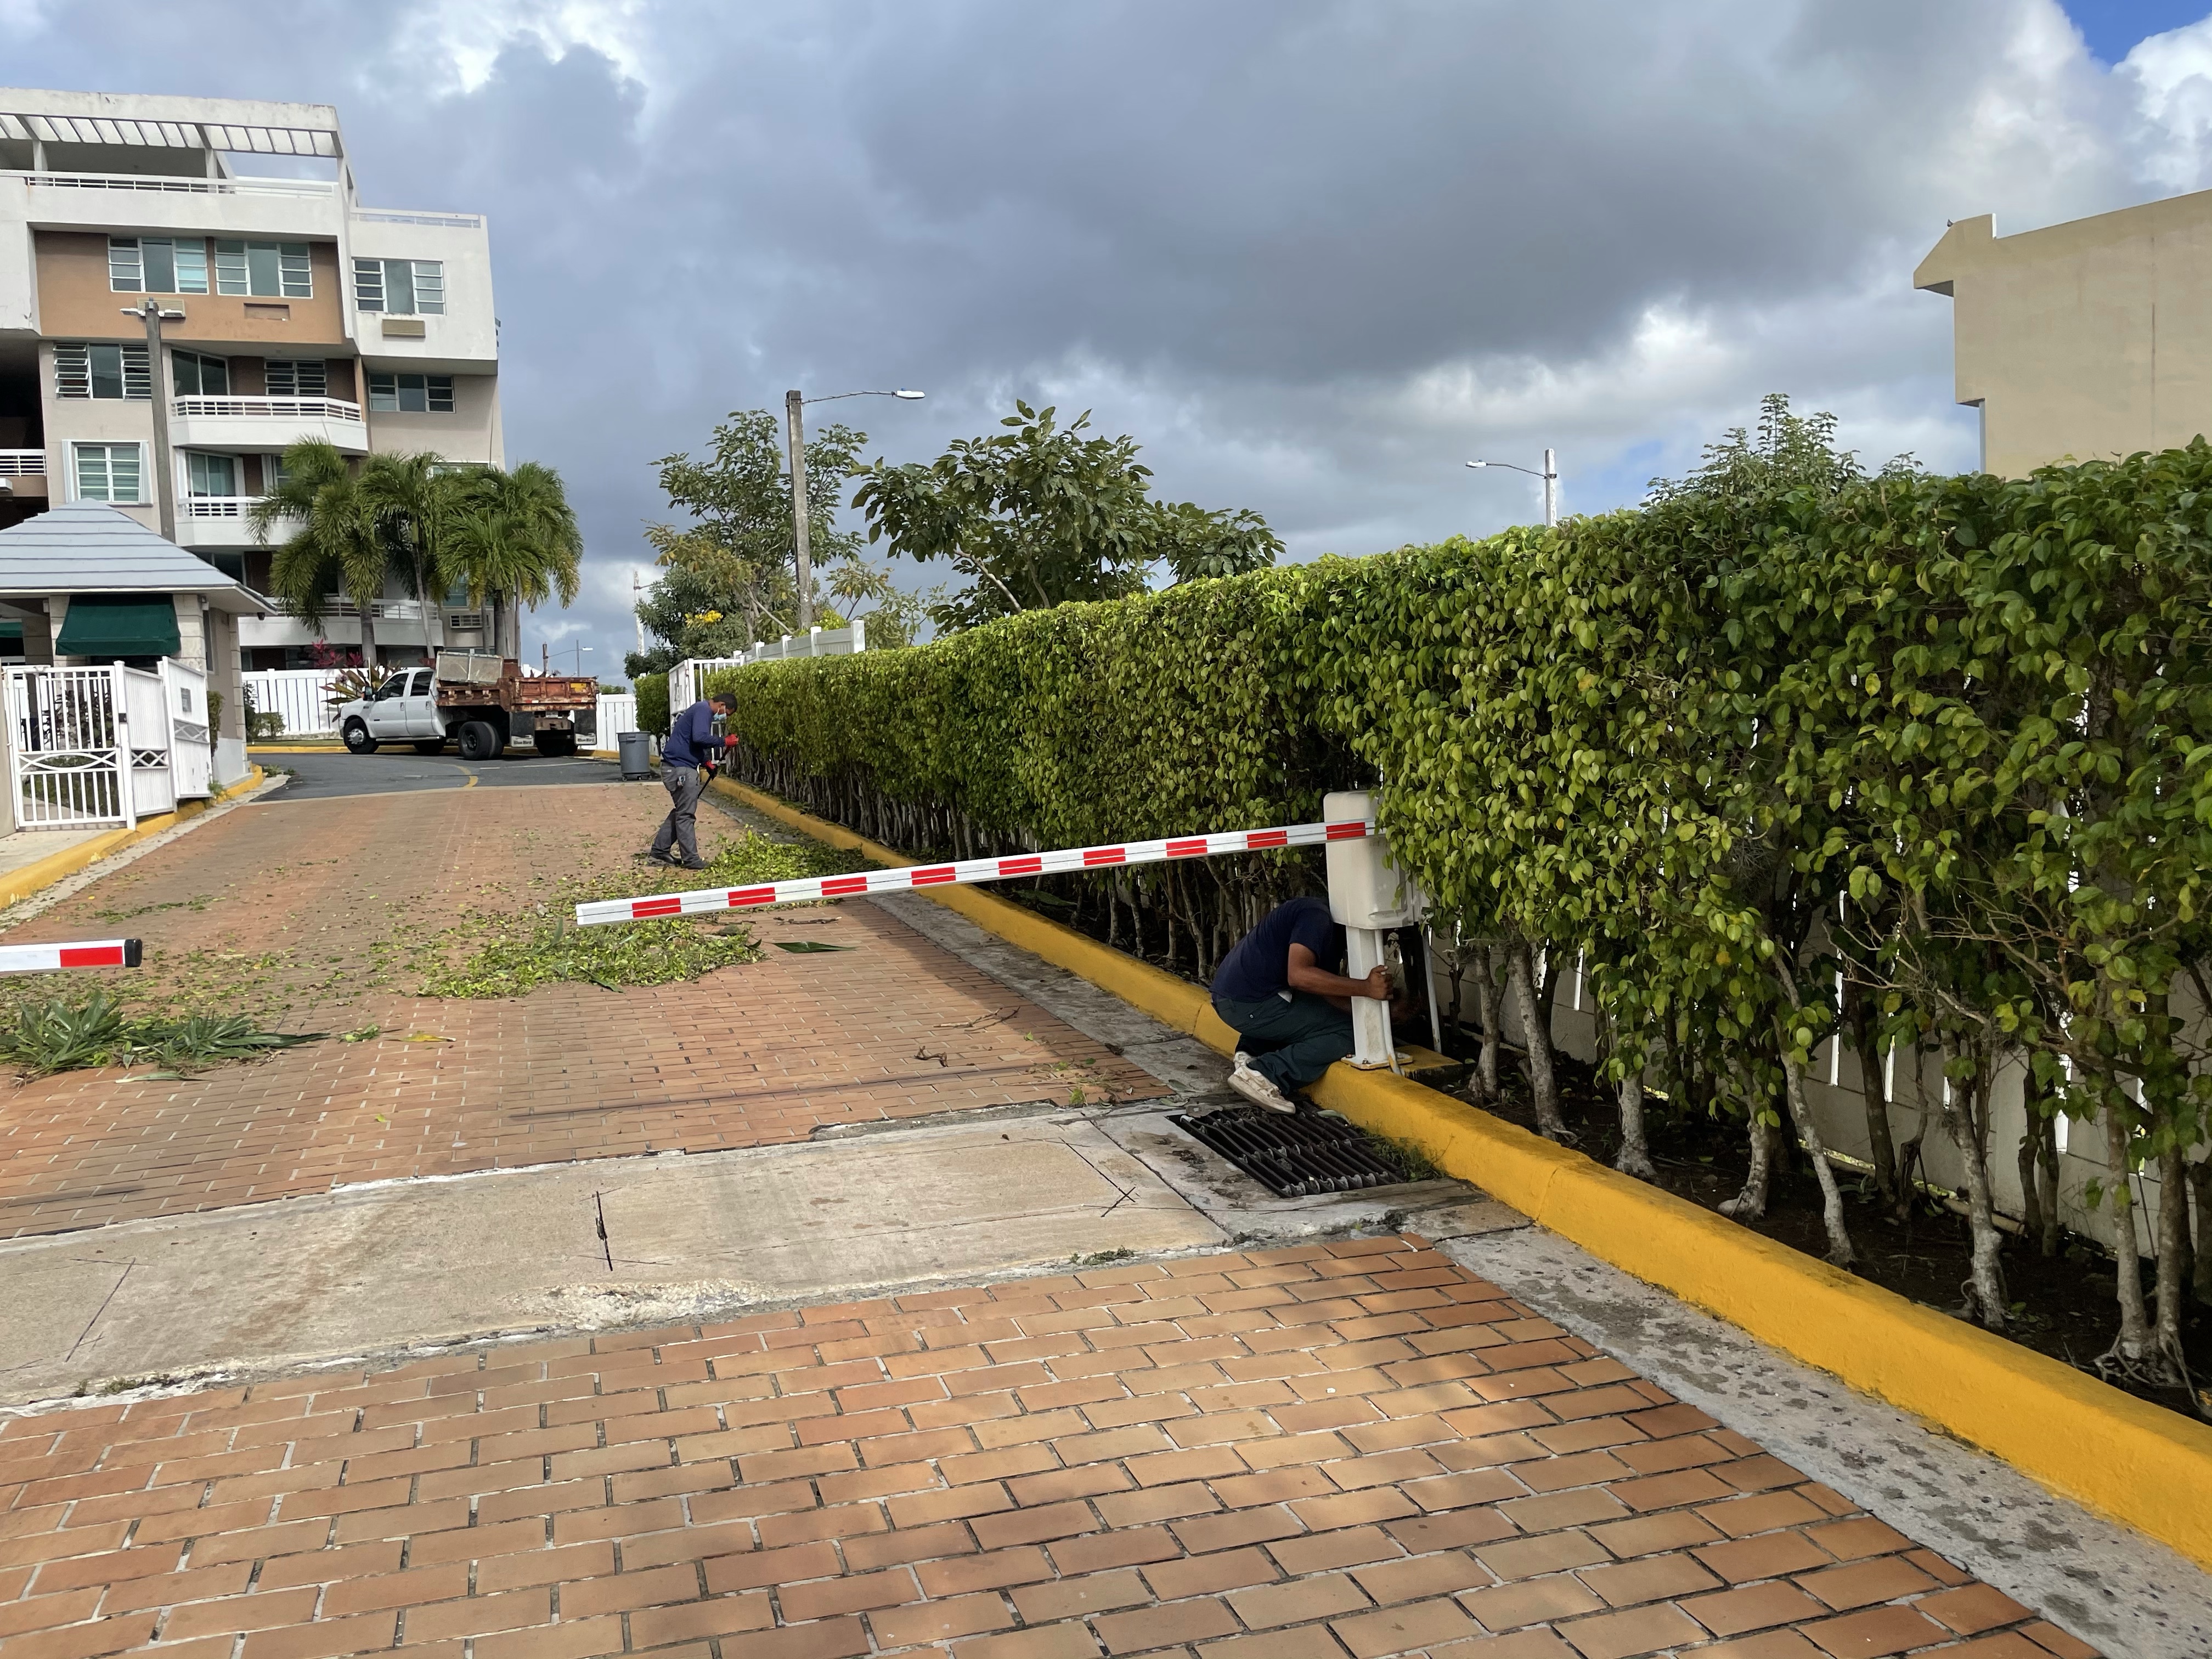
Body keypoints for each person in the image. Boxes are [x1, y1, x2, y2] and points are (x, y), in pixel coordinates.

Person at [1210, 895, 1411, 1113]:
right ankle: (1264, 1074)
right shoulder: (1316, 916)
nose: (1385, 938)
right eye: (1386, 929)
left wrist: (1380, 1013)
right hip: (1248, 1004)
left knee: (1337, 1021)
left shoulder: (1324, 919)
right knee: (1356, 1034)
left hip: (1236, 998)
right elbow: (1299, 976)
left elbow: (1324, 992)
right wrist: (1366, 988)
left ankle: (1251, 1052)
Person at [650, 690, 740, 869]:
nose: (724, 717)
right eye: (726, 713)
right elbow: (699, 738)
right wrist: (724, 742)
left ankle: (660, 849)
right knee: (686, 815)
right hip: (680, 769)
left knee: (682, 810)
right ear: (722, 705)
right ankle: (691, 860)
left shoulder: (700, 710)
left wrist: (706, 763)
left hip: (675, 767)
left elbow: (693, 742)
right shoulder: (703, 710)